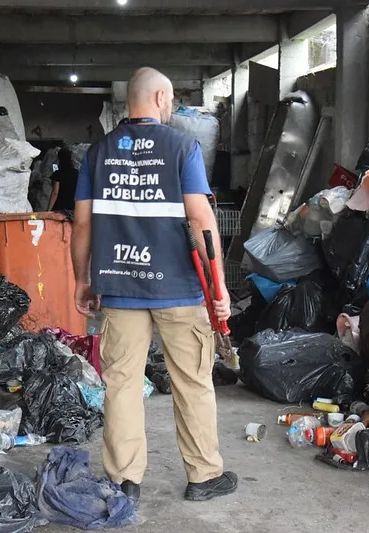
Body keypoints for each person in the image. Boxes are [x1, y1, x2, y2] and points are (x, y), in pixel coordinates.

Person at [71, 67, 237, 507]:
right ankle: (203, 476)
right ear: (161, 98)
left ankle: (125, 480)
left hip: (120, 287)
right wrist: (219, 289)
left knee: (122, 384)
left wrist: (81, 279)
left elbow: (83, 223)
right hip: (180, 289)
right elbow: (202, 222)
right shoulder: (183, 147)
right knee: (193, 382)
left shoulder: (98, 152)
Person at [48, 147, 79, 213]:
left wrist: (48, 210)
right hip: (73, 208)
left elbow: (55, 193)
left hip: (60, 208)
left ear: (59, 159)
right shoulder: (76, 173)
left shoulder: (58, 174)